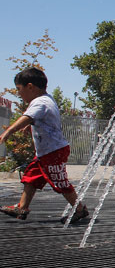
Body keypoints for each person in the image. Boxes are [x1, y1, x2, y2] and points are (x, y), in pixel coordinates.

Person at [0, 67, 88, 223]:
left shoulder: (40, 102)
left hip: (52, 151)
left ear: (30, 87)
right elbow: (38, 118)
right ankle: (22, 207)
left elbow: (27, 116)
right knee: (31, 178)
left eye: (19, 89)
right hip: (47, 152)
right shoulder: (47, 99)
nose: (19, 94)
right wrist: (31, 125)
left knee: (60, 182)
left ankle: (80, 210)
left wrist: (8, 132)